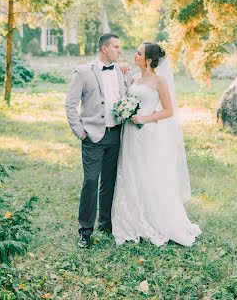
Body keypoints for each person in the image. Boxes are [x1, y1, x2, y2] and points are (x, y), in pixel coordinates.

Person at [111, 42, 201, 247]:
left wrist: (145, 119)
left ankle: (155, 219)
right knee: (131, 172)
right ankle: (132, 219)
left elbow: (168, 111)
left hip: (147, 133)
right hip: (130, 134)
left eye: (139, 53)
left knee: (148, 173)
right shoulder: (134, 78)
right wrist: (123, 70)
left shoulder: (159, 81)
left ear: (149, 60)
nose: (135, 55)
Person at [65, 33, 132, 249]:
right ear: (104, 48)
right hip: (92, 136)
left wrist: (128, 73)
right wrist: (80, 131)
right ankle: (85, 232)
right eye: (116, 47)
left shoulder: (120, 72)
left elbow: (132, 93)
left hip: (116, 134)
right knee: (91, 181)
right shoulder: (83, 72)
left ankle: (106, 224)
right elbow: (70, 104)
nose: (120, 51)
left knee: (109, 182)